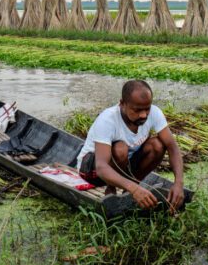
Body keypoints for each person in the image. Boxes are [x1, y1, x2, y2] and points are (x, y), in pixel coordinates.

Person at [77, 80, 186, 210]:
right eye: (137, 110)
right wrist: (135, 190)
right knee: (120, 148)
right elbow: (101, 167)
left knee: (157, 145)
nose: (144, 115)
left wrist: (178, 183)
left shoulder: (155, 113)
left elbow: (172, 147)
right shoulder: (108, 119)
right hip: (92, 170)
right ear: (122, 104)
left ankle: (130, 188)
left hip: (124, 166)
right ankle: (111, 188)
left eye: (147, 108)